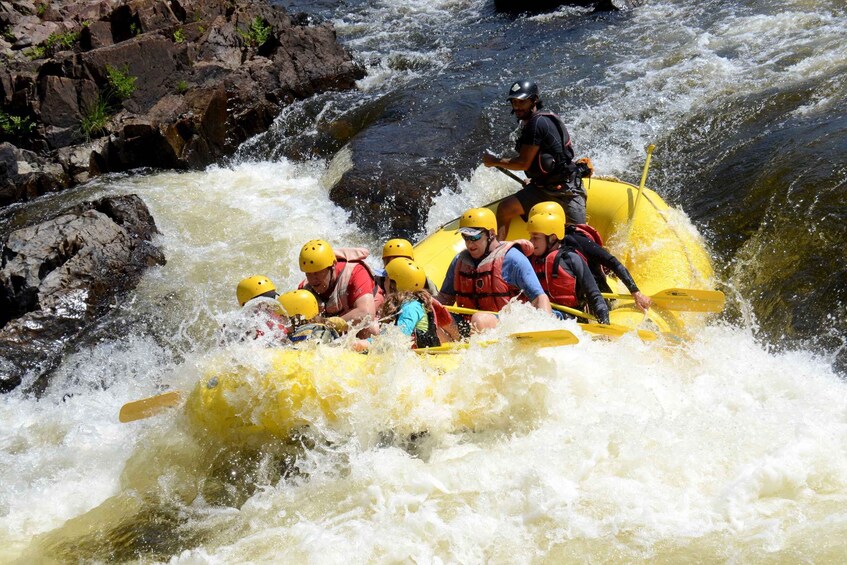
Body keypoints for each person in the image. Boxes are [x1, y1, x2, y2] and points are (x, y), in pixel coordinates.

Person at [482, 80, 592, 239]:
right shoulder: (530, 122)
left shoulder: (537, 124)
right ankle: (498, 253)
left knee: (581, 238)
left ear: (534, 100)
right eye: (514, 102)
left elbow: (523, 163)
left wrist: (494, 161)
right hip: (543, 187)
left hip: (566, 190)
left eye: (522, 101)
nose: (517, 106)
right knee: (505, 208)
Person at [435, 207, 551, 334]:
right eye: (465, 237)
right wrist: (428, 305)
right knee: (435, 318)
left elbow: (539, 298)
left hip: (503, 325)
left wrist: (544, 329)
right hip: (469, 326)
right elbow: (445, 299)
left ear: (490, 234)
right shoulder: (459, 261)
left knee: (479, 320)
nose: (469, 244)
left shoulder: (512, 258)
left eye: (474, 237)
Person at [527, 201, 652, 312]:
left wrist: (636, 292)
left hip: (593, 298)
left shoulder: (578, 240)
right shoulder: (538, 245)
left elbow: (612, 262)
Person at [526, 212, 610, 325]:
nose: (531, 242)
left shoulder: (571, 259)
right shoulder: (530, 260)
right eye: (531, 237)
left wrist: (604, 323)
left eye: (536, 237)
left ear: (552, 238)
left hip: (571, 319)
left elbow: (594, 295)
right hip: (544, 314)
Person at [353, 259, 455, 351]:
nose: (383, 282)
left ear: (394, 285)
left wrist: (366, 343)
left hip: (421, 361)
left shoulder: (411, 307)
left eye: (387, 279)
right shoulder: (407, 303)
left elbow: (398, 337)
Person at [297, 239, 384, 336]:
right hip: (338, 322)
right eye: (308, 274)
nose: (313, 279)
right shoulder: (305, 288)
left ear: (333, 265)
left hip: (369, 320)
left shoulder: (356, 272)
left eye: (317, 272)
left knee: (370, 329)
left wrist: (325, 324)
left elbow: (366, 314)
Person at [234, 275, 289, 343]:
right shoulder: (241, 327)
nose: (268, 303)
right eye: (262, 300)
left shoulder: (277, 319)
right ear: (246, 304)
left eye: (272, 297)